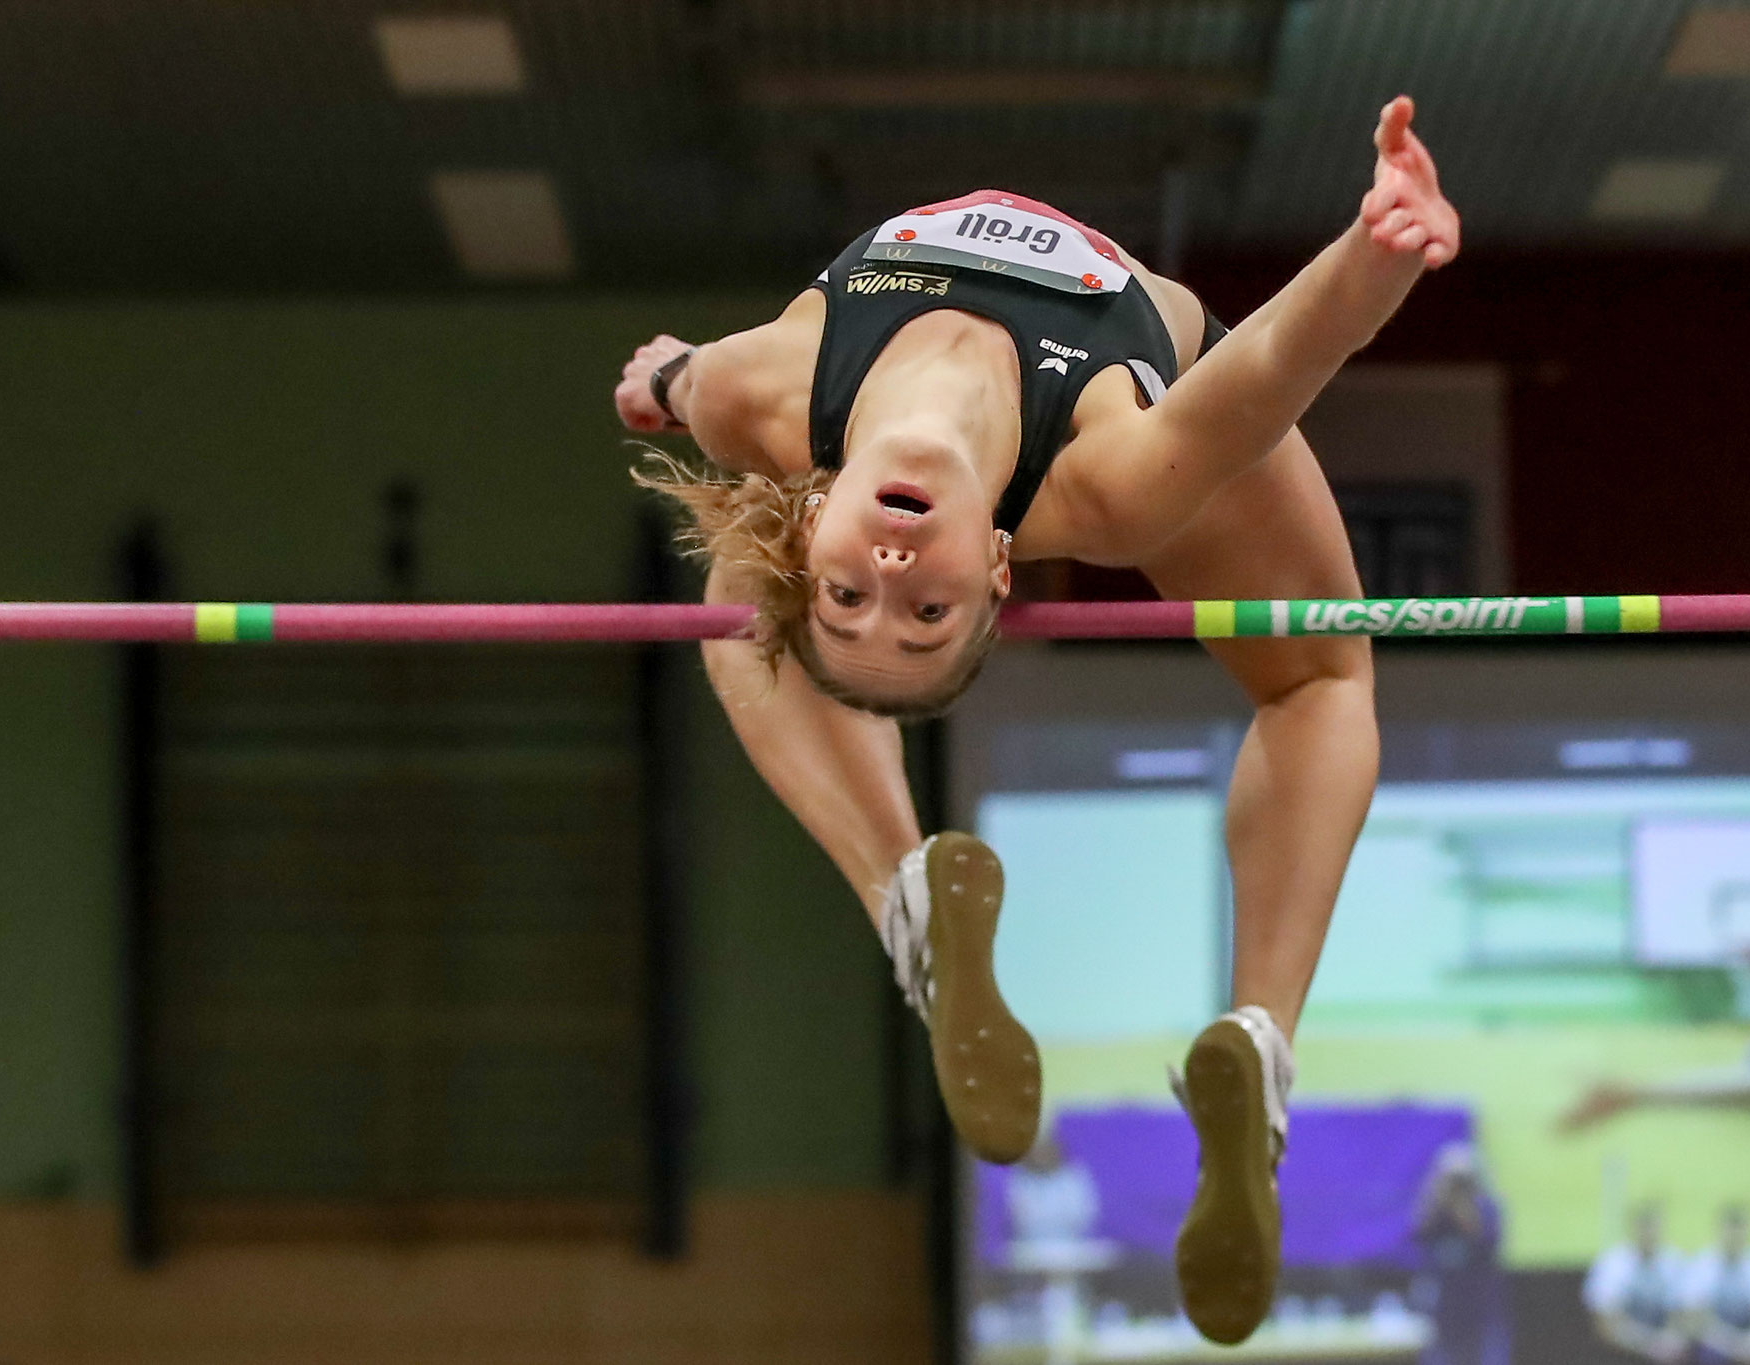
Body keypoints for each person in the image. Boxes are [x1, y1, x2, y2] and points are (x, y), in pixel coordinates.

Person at [614, 97, 1460, 1343]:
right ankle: (1258, 1037)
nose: (891, 579)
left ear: (820, 516)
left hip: (823, 421)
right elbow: (1272, 369)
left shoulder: (763, 398)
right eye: (928, 610)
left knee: (742, 592)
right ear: (997, 570)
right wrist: (1374, 253)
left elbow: (675, 382)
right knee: (1319, 681)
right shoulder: (1107, 484)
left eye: (851, 593)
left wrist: (666, 376)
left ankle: (912, 907)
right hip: (1155, 374)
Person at [1411, 1142, 1511, 1365]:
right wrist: (1439, 1192)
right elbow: (1418, 1232)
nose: (1458, 1186)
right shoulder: (1436, 1210)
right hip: (1443, 1314)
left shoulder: (1488, 1208)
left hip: (1482, 1312)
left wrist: (1464, 1200)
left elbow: (1481, 1237)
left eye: (1463, 1180)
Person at [1584, 1203, 1692, 1363]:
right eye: (1644, 1229)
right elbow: (1605, 1325)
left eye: (1652, 1228)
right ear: (1633, 1230)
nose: (1648, 1235)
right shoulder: (1613, 1264)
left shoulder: (1674, 1262)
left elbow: (1687, 1313)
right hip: (1621, 1354)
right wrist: (1648, 1344)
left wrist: (1669, 1341)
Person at [1685, 1206, 1750, 1364]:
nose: (1734, 1236)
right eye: (1730, 1230)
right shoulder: (1702, 1264)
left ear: (1747, 1231)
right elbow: (1696, 1318)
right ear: (1720, 1230)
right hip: (1715, 1342)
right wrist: (1731, 1345)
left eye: (1739, 1230)